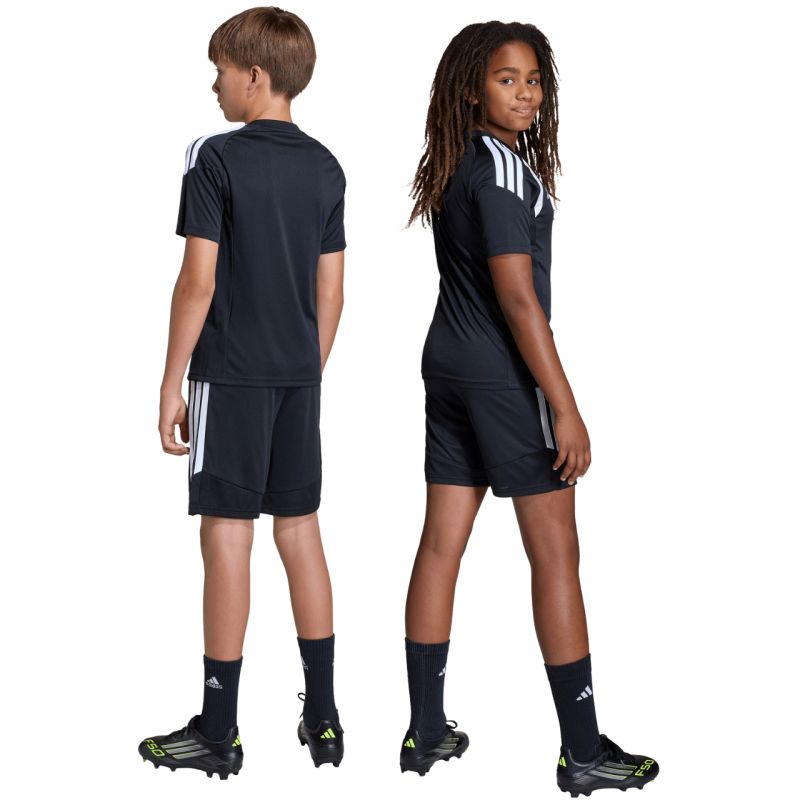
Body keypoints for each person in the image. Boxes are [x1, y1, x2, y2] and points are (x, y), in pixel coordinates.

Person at [399, 21, 659, 796]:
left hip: (447, 365)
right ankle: (582, 751)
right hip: (504, 379)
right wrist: (565, 405)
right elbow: (518, 298)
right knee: (556, 556)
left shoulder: (456, 163)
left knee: (441, 545)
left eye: (534, 80)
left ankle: (425, 729)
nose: (525, 94)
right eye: (506, 79)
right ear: (470, 89)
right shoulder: (503, 174)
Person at [138, 6, 346, 780]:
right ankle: (324, 716)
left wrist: (171, 383)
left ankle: (219, 729)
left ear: (254, 76)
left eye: (220, 70)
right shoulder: (327, 167)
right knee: (301, 532)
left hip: (228, 376)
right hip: (298, 378)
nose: (214, 84)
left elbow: (197, 281)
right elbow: (333, 291)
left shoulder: (214, 156)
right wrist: (305, 370)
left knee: (228, 538)